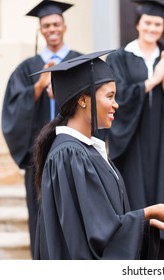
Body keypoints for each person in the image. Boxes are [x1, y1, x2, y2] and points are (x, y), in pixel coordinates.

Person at [31, 50, 164, 260]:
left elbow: (102, 221)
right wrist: (147, 213)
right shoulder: (69, 155)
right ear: (83, 100)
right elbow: (94, 235)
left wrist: (145, 223)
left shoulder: (85, 150)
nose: (116, 104)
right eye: (110, 96)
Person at [105, 0, 164, 259]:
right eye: (148, 23)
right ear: (137, 25)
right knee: (135, 194)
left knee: (163, 190)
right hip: (132, 140)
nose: (153, 28)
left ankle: (160, 251)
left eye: (158, 24)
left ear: (163, 27)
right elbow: (115, 97)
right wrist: (152, 80)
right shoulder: (119, 58)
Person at [1, 0, 82, 257]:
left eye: (56, 24)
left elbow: (91, 103)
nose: (52, 29)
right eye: (46, 25)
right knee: (39, 214)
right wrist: (38, 87)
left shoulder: (79, 61)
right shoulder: (27, 68)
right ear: (41, 29)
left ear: (64, 26)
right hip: (39, 155)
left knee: (74, 210)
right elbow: (12, 109)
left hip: (73, 151)